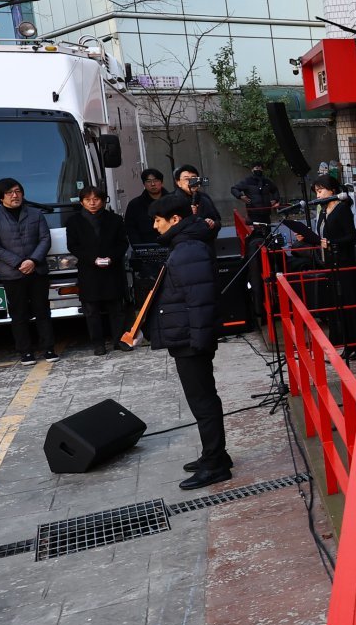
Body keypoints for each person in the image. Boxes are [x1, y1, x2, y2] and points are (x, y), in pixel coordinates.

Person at [150, 195, 233, 490]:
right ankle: (215, 455)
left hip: (191, 338)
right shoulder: (185, 245)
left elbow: (200, 299)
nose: (154, 226)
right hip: (188, 335)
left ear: (175, 220)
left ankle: (215, 464)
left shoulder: (187, 249)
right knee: (203, 399)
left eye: (158, 220)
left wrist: (199, 341)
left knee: (203, 401)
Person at [0, 177, 56, 364]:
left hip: (37, 270)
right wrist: (18, 263)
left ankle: (48, 348)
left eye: (18, 191)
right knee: (19, 314)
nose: (15, 195)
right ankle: (26, 352)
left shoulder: (35, 214)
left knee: (42, 311)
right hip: (12, 274)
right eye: (9, 193)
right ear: (1, 197)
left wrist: (32, 260)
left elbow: (45, 239)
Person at [66, 185, 133, 355]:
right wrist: (92, 259)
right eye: (88, 200)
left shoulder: (115, 220)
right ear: (81, 202)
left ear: (103, 201)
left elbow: (123, 243)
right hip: (88, 270)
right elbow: (73, 246)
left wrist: (111, 257)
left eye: (96, 199)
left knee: (116, 308)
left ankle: (119, 341)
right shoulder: (74, 221)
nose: (92, 203)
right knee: (91, 310)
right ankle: (98, 344)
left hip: (112, 269)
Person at [310, 173, 356, 358]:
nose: (318, 195)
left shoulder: (342, 208)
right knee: (338, 306)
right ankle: (347, 344)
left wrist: (332, 242)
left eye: (321, 191)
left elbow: (350, 236)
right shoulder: (323, 210)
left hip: (344, 263)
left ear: (332, 190)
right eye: (316, 192)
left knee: (350, 304)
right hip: (330, 263)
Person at [125, 167, 168, 245]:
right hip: (145, 247)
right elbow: (131, 229)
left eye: (156, 180)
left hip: (172, 246)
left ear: (161, 182)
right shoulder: (134, 205)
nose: (153, 184)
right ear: (144, 184)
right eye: (149, 181)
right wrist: (139, 246)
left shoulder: (173, 200)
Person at [172, 165, 222, 232]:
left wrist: (212, 223)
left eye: (194, 179)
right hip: (182, 239)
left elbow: (218, 220)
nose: (191, 182)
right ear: (178, 183)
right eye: (186, 179)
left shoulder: (205, 197)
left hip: (205, 238)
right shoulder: (171, 199)